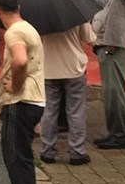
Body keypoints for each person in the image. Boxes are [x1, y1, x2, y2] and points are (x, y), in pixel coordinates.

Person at [0, 0, 45, 184]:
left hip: (21, 101)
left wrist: (15, 83)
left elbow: (20, 61)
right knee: (22, 151)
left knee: (14, 153)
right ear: (18, 7)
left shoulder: (14, 32)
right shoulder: (27, 27)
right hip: (34, 99)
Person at [39, 24, 96, 166]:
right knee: (76, 111)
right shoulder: (77, 12)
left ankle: (47, 151)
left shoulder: (39, 14)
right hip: (73, 68)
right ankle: (77, 151)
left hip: (48, 68)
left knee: (49, 111)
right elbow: (89, 38)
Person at [91, 0, 125, 150]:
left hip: (112, 52)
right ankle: (114, 132)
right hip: (105, 49)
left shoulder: (116, 1)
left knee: (115, 94)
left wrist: (108, 51)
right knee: (110, 95)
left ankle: (120, 135)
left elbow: (116, 31)